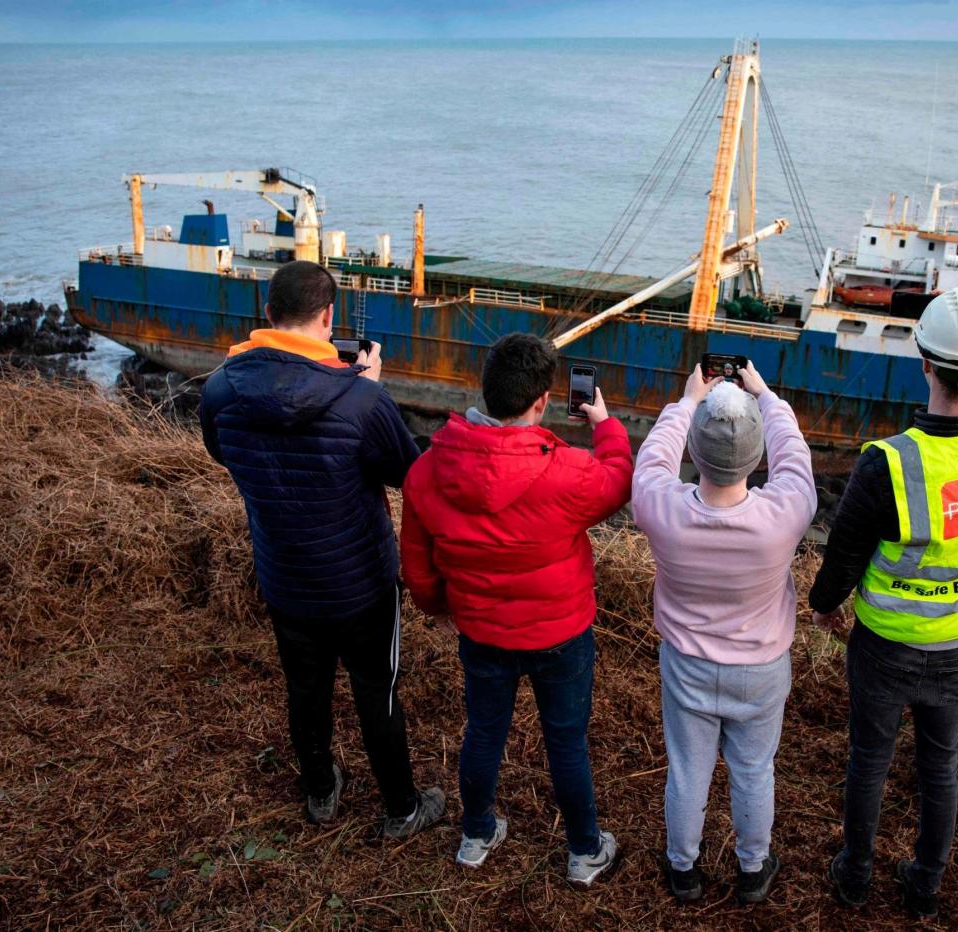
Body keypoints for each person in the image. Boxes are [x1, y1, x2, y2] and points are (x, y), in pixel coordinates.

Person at [809, 288, 958, 919]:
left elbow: (844, 558)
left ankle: (854, 876)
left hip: (883, 645)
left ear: (926, 364)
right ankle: (925, 886)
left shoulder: (891, 463)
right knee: (940, 766)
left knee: (870, 762)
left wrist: (823, 606)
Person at [200, 260, 444, 837]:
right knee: (376, 689)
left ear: (267, 316)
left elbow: (222, 453)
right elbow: (409, 472)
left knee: (304, 686)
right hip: (360, 580)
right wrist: (370, 393)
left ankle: (319, 789)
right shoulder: (360, 400)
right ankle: (402, 807)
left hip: (284, 575)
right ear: (330, 316)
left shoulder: (218, 390)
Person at [400, 332, 633, 888]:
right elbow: (621, 479)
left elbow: (418, 567)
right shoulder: (569, 471)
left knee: (483, 732)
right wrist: (603, 423)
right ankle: (583, 851)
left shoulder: (426, 471)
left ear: (484, 391)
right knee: (566, 741)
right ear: (542, 402)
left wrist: (440, 608)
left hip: (481, 631)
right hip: (562, 632)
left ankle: (476, 835)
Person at [631, 362, 817, 905]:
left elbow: (652, 460)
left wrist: (688, 402)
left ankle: (683, 871)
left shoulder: (660, 508)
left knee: (688, 771)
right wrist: (765, 396)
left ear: (694, 452)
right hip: (760, 669)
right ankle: (753, 870)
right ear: (755, 459)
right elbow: (795, 456)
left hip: (686, 664)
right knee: (755, 769)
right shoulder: (785, 514)